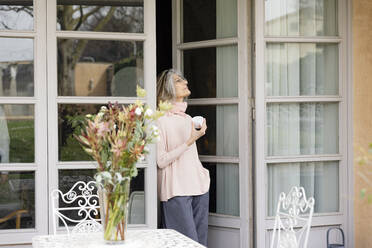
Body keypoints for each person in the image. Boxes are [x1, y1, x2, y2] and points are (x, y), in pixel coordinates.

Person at [156, 69, 210, 246]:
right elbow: (161, 160)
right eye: (179, 80)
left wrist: (203, 173)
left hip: (199, 188)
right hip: (176, 191)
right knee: (185, 245)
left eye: (184, 79)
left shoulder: (188, 118)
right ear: (168, 88)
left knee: (199, 244)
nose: (185, 82)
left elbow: (191, 155)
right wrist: (190, 140)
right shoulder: (159, 120)